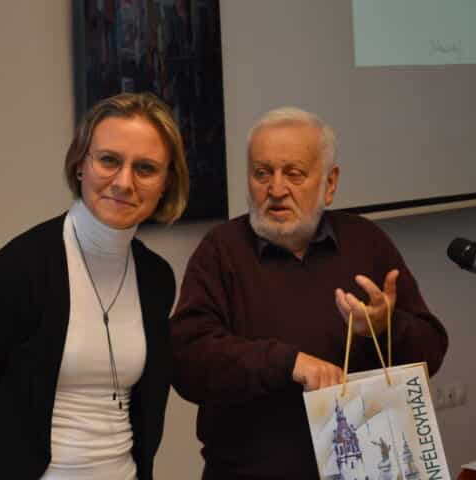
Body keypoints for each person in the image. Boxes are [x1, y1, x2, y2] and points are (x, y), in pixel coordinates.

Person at [0, 92, 190, 480]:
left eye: (145, 168)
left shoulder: (156, 278)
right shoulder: (15, 273)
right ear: (80, 165)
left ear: (166, 182)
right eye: (109, 160)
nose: (124, 182)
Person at [170, 107, 448, 479]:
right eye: (262, 173)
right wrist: (287, 363)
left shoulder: (365, 241)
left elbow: (432, 352)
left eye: (294, 174)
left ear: (329, 183)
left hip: (366, 469)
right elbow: (188, 361)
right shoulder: (221, 251)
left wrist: (385, 327)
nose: (276, 190)